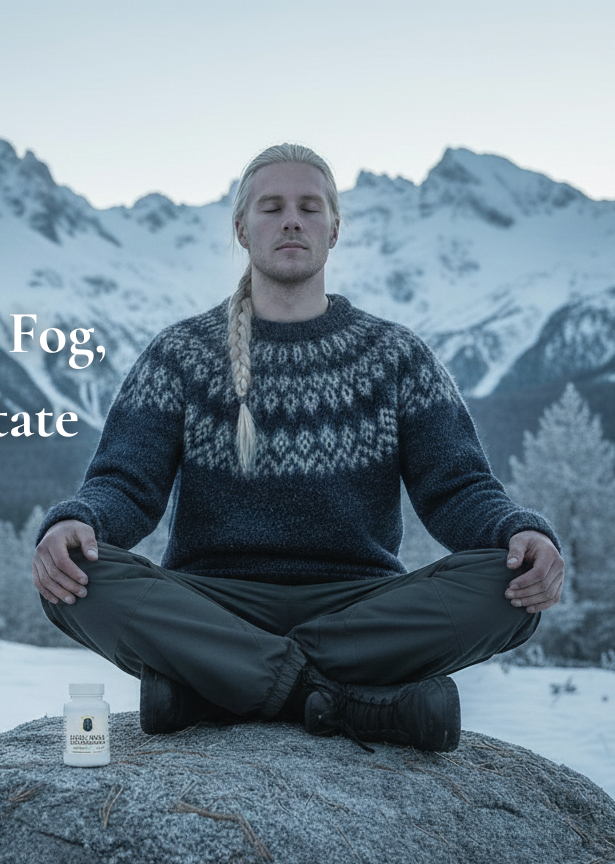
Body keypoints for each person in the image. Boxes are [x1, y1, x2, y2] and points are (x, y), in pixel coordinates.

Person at [32, 143, 564, 752]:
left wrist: (519, 533)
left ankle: (217, 688)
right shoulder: (179, 354)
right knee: (75, 579)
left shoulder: (395, 355)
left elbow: (458, 488)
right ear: (242, 227)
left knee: (510, 587)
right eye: (272, 207)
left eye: (310, 207)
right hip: (212, 605)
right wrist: (80, 521)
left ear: (334, 230)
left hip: (360, 605)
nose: (292, 220)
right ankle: (346, 699)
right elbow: (126, 483)